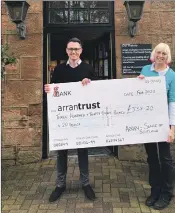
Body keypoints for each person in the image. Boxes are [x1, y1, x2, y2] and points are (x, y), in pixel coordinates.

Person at [44, 37, 96, 202]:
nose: (73, 52)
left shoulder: (88, 68)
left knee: (83, 151)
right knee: (62, 152)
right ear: (67, 51)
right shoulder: (59, 69)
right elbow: (54, 92)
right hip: (64, 119)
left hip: (82, 118)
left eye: (76, 49)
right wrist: (48, 89)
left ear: (81, 51)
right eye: (71, 49)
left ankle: (86, 184)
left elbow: (98, 92)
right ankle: (60, 185)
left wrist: (90, 84)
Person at [138, 43, 175, 210]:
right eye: (158, 52)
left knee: (165, 158)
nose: (160, 55)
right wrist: (137, 83)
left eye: (164, 53)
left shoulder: (172, 76)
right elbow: (138, 94)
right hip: (147, 121)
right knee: (152, 158)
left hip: (163, 122)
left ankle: (167, 192)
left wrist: (172, 128)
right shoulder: (145, 70)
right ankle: (155, 190)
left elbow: (173, 102)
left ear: (167, 56)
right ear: (154, 54)